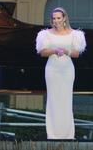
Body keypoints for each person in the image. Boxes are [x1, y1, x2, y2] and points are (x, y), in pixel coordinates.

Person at [35, 7, 86, 139]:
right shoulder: (45, 34)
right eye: (54, 18)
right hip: (52, 69)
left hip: (67, 70)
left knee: (66, 100)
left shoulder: (74, 34)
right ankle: (52, 134)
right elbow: (42, 52)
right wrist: (55, 50)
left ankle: (68, 134)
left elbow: (76, 53)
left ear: (64, 18)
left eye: (58, 18)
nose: (56, 20)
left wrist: (66, 51)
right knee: (53, 100)